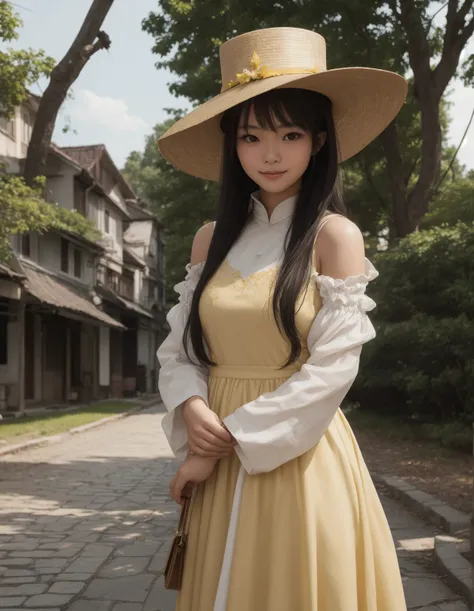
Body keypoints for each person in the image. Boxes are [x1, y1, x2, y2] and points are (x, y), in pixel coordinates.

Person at [157, 26, 408, 611]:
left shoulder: (334, 237)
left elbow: (333, 369)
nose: (270, 154)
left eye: (290, 134)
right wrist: (191, 408)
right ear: (232, 144)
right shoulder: (209, 241)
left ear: (319, 142)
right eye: (251, 136)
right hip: (217, 454)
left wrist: (222, 442)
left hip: (297, 457)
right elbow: (181, 349)